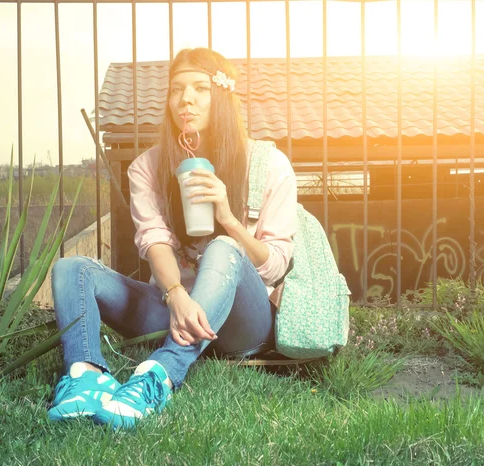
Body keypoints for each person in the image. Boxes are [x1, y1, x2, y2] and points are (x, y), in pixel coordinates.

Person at [47, 48, 298, 430]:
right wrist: (177, 294)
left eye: (200, 88)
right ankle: (85, 377)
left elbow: (276, 264)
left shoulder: (269, 165)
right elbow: (154, 240)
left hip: (242, 321)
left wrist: (228, 218)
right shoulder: (148, 166)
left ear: (223, 98)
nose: (187, 99)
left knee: (225, 247)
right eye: (177, 89)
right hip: (173, 310)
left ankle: (158, 375)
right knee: (71, 268)